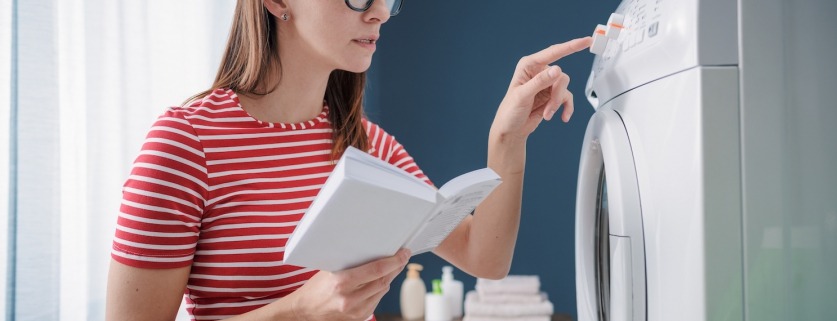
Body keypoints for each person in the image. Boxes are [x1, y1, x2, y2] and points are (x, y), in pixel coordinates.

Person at [105, 0, 591, 320]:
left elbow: (484, 258)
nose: (379, 11)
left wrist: (506, 138)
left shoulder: (366, 146)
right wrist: (299, 310)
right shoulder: (187, 143)